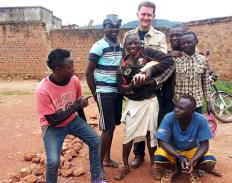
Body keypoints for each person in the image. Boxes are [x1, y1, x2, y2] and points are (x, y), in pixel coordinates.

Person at [35, 49, 105, 183]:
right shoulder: (42, 90)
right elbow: (53, 120)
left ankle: (96, 179)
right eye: (69, 67)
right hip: (52, 127)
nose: (73, 70)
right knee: (53, 162)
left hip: (73, 120)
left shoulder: (74, 80)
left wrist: (84, 125)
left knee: (95, 141)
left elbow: (77, 105)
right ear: (57, 69)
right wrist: (77, 106)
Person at [114, 33, 174, 180]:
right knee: (129, 134)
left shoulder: (148, 53)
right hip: (134, 104)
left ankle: (155, 165)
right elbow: (120, 88)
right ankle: (124, 165)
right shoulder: (123, 64)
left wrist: (149, 72)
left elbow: (168, 60)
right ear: (125, 45)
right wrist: (131, 87)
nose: (133, 46)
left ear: (140, 43)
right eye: (129, 44)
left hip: (150, 101)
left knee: (151, 134)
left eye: (135, 43)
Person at [123, 0, 168, 169]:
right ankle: (138, 155)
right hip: (134, 90)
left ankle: (155, 161)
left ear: (154, 16)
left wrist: (147, 74)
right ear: (137, 15)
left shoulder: (160, 36)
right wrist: (126, 84)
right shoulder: (128, 35)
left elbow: (161, 61)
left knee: (151, 126)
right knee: (134, 123)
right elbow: (124, 60)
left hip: (150, 87)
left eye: (149, 15)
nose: (146, 17)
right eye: (143, 14)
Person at [86, 14, 123, 177]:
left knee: (112, 126)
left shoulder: (120, 46)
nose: (114, 29)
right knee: (107, 129)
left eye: (117, 26)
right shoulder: (98, 46)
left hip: (117, 92)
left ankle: (107, 159)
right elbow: (88, 72)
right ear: (104, 27)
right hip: (104, 92)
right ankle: (98, 164)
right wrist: (95, 93)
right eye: (110, 26)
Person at [153, 95, 217, 183]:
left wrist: (193, 160)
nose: (176, 110)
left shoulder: (201, 120)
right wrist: (179, 156)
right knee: (158, 158)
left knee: (210, 161)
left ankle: (192, 167)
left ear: (192, 111)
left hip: (192, 151)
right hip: (173, 151)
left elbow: (204, 145)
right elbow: (162, 142)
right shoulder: (169, 117)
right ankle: (172, 168)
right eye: (176, 106)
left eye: (181, 108)